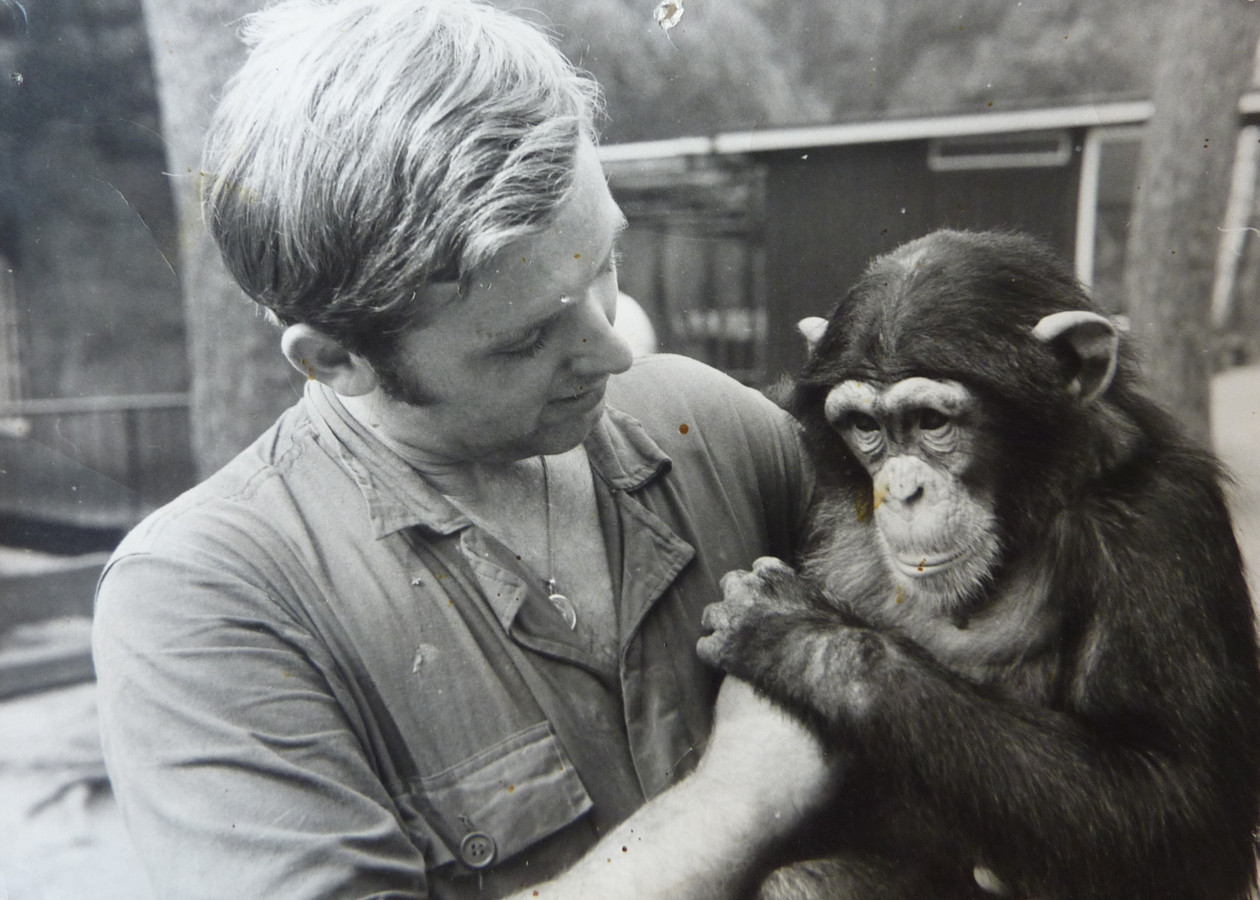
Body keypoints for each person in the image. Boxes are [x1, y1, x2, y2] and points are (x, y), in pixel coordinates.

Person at [92, 1, 833, 897]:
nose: (614, 351)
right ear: (336, 359)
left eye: (604, 262)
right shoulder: (206, 599)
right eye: (525, 340)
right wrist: (739, 798)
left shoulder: (713, 425)